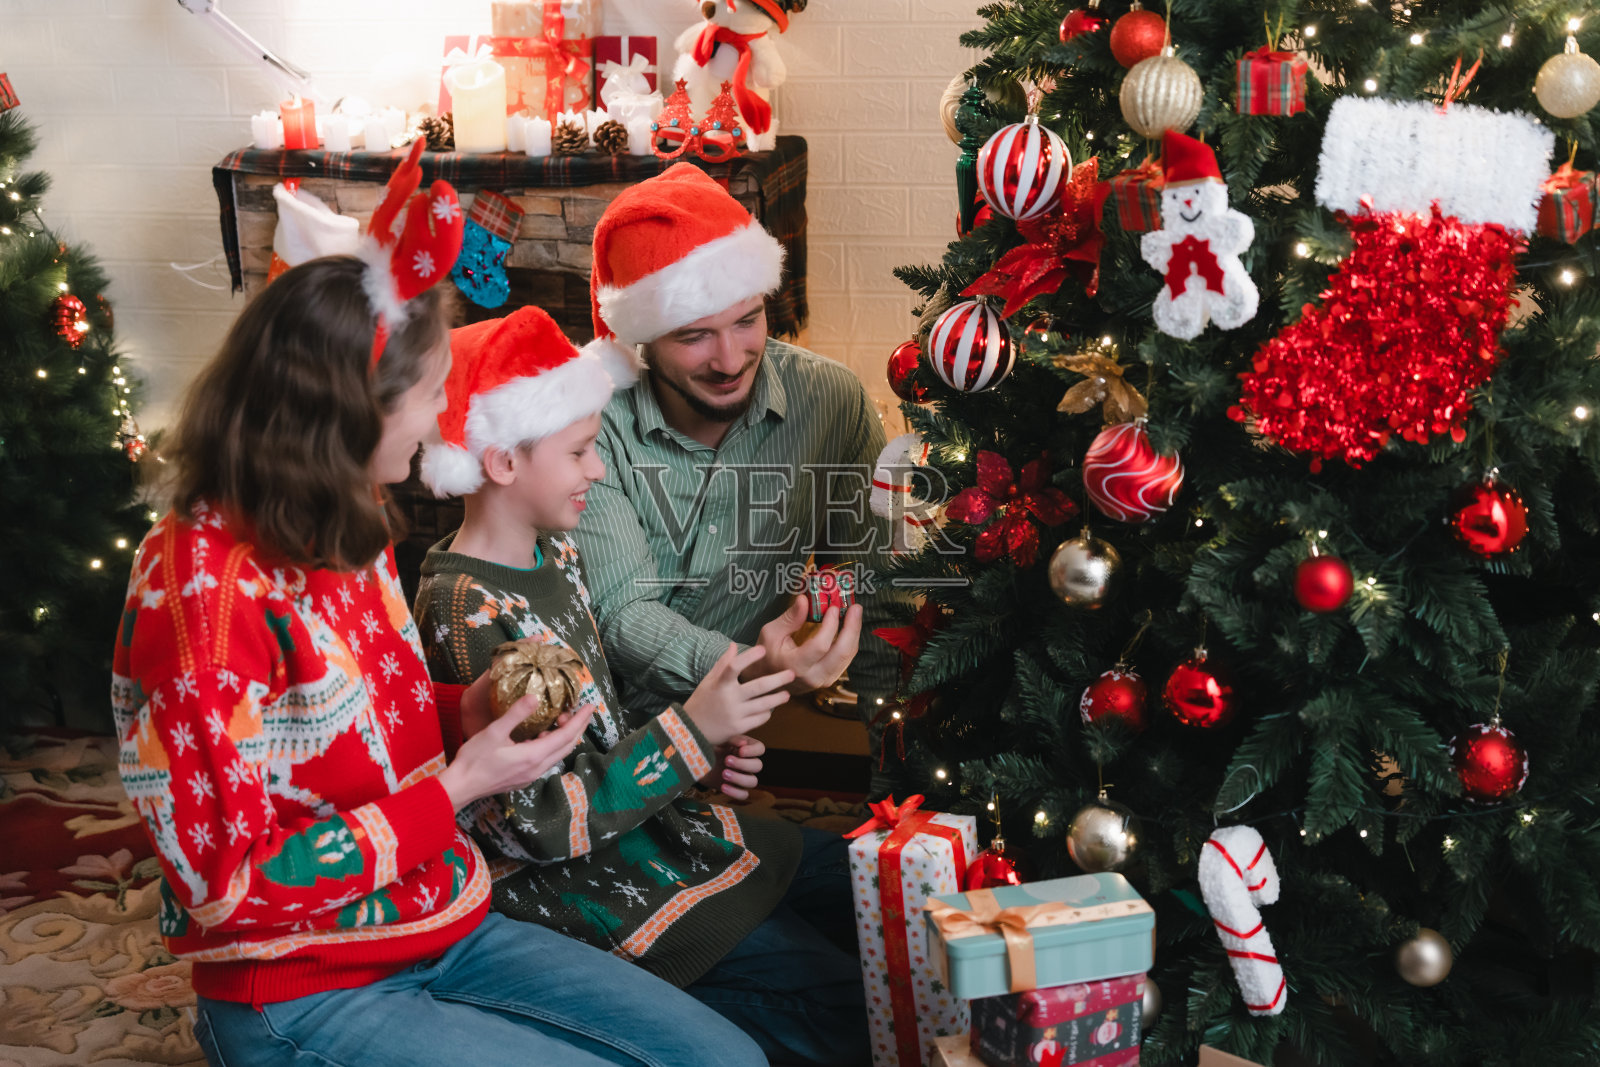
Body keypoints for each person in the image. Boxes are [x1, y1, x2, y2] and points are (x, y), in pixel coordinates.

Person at [109, 145, 765, 1067]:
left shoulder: (350, 522)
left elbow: (374, 736)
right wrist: (460, 787)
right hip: (303, 987)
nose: (436, 422)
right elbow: (227, 884)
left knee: (725, 1059)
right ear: (349, 410)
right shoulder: (200, 599)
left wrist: (476, 712)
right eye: (426, 397)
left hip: (444, 919)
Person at [413, 305, 870, 1067]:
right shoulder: (465, 611)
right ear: (503, 464)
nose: (599, 468)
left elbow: (598, 729)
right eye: (583, 450)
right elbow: (535, 822)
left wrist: (704, 749)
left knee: (866, 894)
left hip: (661, 834)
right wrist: (688, 735)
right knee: (855, 1007)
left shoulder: (555, 556)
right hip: (591, 893)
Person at [573, 163, 907, 788]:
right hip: (590, 752)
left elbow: (875, 583)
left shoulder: (831, 401)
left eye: (747, 321)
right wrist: (752, 670)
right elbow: (621, 613)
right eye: (694, 336)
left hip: (737, 748)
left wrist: (893, 772)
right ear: (641, 334)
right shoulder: (590, 421)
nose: (730, 360)